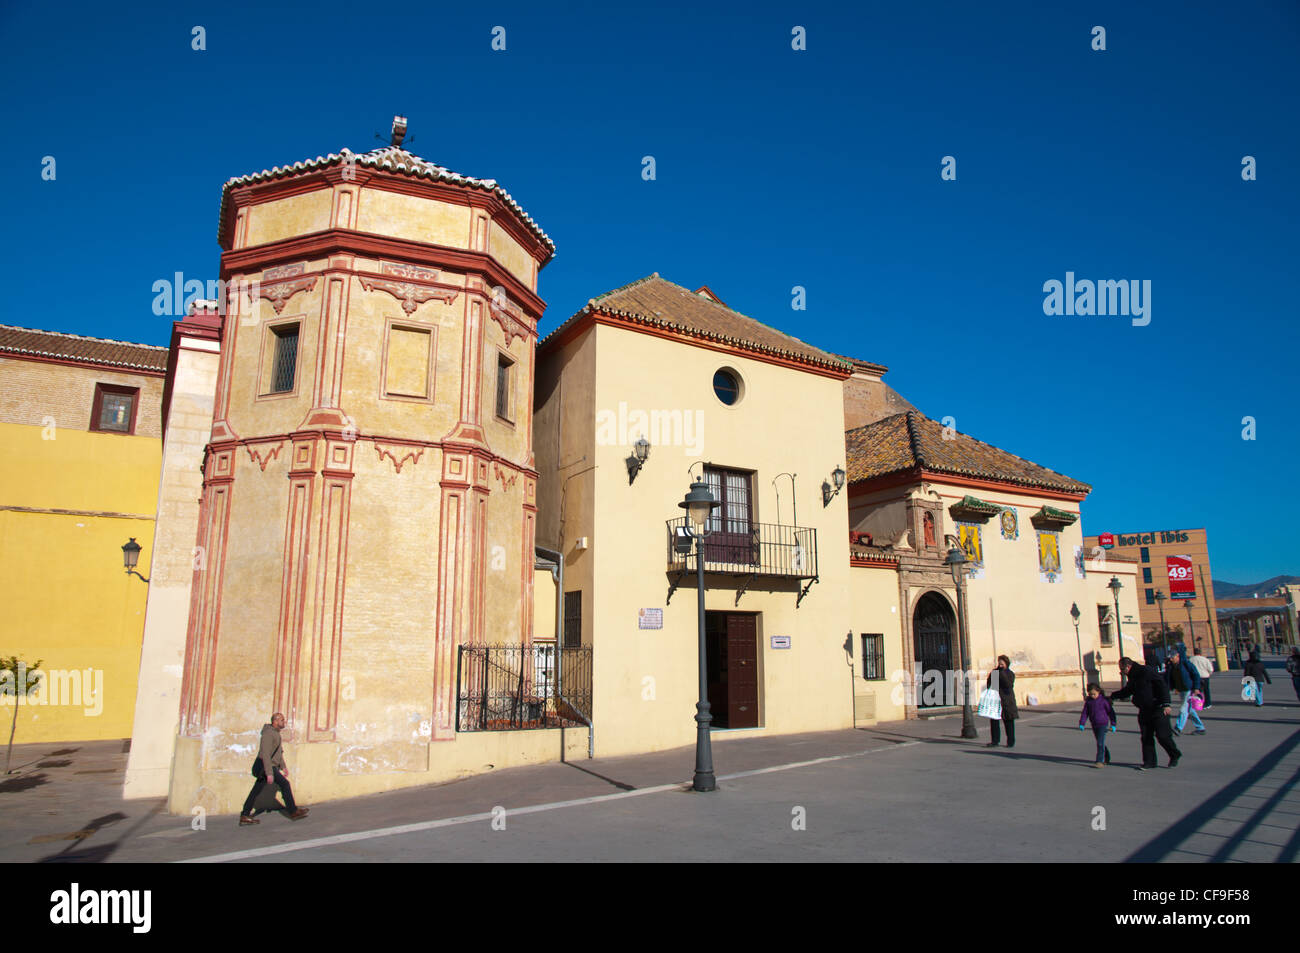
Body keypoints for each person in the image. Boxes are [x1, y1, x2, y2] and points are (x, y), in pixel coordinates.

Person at [1110, 657, 1181, 770]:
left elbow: (1162, 685)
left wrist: (1166, 703)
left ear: (1128, 667)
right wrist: (1112, 696)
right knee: (1146, 737)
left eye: (1122, 670)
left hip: (1158, 707)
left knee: (1162, 736)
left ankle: (1174, 754)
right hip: (1144, 709)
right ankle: (1149, 762)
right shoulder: (1132, 677)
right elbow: (1128, 691)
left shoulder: (1146, 671)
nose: (1122, 673)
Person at [240, 712, 310, 825]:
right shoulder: (268, 734)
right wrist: (269, 773)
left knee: (256, 790)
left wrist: (283, 766)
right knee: (285, 784)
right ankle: (293, 811)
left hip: (269, 765)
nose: (284, 722)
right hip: (265, 765)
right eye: (282, 720)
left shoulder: (275, 733)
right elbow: (265, 754)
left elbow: (278, 752)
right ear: (275, 721)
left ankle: (245, 814)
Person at [1078, 682, 1117, 767]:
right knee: (1100, 742)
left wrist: (1113, 724)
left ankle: (1099, 761)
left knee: (1100, 743)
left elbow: (1111, 713)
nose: (1092, 696)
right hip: (1094, 724)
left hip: (1103, 724)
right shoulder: (1089, 702)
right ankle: (1106, 757)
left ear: (1098, 692)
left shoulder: (1104, 701)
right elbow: (1085, 713)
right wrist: (1082, 723)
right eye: (1090, 694)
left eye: (1094, 694)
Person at [1169, 648, 1206, 736]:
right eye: (1170, 658)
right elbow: (1173, 678)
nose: (1171, 659)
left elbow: (1195, 674)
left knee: (1183, 708)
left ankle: (1178, 728)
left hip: (1189, 689)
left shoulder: (1185, 663)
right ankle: (1200, 728)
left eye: (1172, 657)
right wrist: (1175, 687)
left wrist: (1196, 688)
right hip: (1182, 689)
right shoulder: (1172, 666)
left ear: (1177, 656)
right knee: (1190, 710)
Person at [984, 655, 1018, 748]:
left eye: (1002, 663)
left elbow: (1008, 684)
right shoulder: (995, 672)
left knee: (1008, 722)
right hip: (996, 700)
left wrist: (1001, 673)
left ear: (1006, 664)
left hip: (1007, 701)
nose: (1000, 665)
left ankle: (1010, 741)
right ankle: (995, 741)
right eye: (999, 663)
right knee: (994, 722)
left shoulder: (1010, 674)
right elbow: (990, 684)